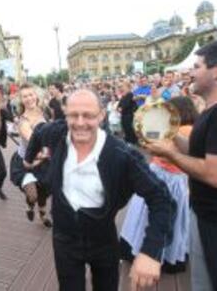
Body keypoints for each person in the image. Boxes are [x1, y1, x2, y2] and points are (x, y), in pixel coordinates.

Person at [24, 89, 176, 291]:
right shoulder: (57, 133)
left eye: (88, 115)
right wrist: (28, 158)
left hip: (103, 240)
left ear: (102, 115)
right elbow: (39, 133)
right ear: (65, 114)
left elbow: (161, 198)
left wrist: (151, 251)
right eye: (73, 115)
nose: (79, 123)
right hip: (64, 239)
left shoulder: (122, 155)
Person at [146, 41, 217, 291]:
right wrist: (173, 133)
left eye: (196, 66)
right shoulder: (209, 111)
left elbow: (212, 173)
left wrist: (169, 153)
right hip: (204, 212)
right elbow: (198, 153)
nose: (190, 72)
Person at [121, 96, 198, 274]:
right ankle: (168, 256)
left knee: (149, 216)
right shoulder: (191, 129)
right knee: (174, 219)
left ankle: (145, 251)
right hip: (177, 178)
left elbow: (154, 147)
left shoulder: (180, 130)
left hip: (164, 174)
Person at [10, 84, 52, 227]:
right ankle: (29, 205)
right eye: (25, 96)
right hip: (26, 162)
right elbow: (34, 143)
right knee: (33, 194)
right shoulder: (23, 122)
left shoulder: (45, 112)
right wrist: (50, 152)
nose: (29, 98)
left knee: (44, 192)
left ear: (36, 95)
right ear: (21, 100)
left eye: (31, 94)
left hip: (43, 160)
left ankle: (43, 214)